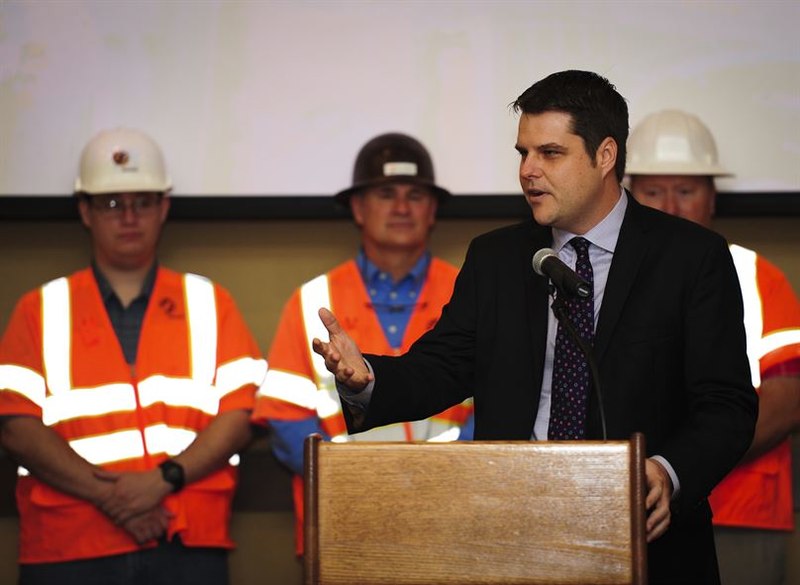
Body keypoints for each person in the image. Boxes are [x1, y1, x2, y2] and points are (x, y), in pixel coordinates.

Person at [311, 70, 758, 584]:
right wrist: (368, 378)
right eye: (522, 153)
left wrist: (667, 471)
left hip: (649, 540)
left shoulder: (690, 257)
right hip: (514, 533)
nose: (528, 171)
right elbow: (443, 366)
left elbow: (726, 407)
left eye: (550, 153)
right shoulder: (496, 257)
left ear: (605, 155)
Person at [0, 128, 267, 585]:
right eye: (110, 203)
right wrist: (113, 497)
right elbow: (15, 425)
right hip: (68, 547)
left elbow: (242, 413)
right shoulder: (38, 309)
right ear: (84, 211)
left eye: (142, 202)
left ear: (163, 208)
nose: (128, 217)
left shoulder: (209, 302)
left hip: (185, 540)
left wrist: (162, 480)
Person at [251, 132, 473, 555]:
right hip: (341, 530)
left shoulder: (471, 294)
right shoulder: (312, 301)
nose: (402, 208)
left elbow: (496, 412)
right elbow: (285, 425)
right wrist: (364, 489)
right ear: (357, 207)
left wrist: (432, 488)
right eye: (386, 194)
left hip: (451, 527)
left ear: (433, 211)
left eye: (415, 195)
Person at [627, 109, 800, 585]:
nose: (670, 207)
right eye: (652, 192)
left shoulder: (757, 275)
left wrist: (680, 465)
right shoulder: (599, 283)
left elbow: (787, 403)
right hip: (627, 518)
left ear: (712, 198)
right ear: (627, 196)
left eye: (686, 190)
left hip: (740, 517)